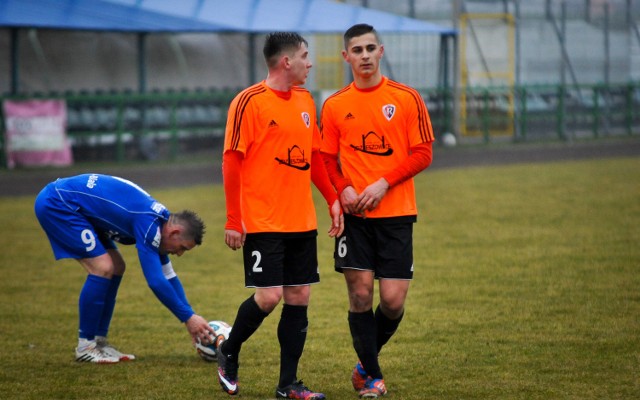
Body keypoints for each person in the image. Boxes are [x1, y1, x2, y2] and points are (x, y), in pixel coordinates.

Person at [218, 32, 343, 399]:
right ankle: (229, 349)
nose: (310, 62)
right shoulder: (248, 102)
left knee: (299, 296)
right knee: (269, 297)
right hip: (263, 221)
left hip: (301, 220)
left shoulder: (305, 100)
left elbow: (315, 156)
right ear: (286, 62)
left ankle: (288, 384)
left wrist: (332, 199)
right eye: (305, 56)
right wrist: (232, 218)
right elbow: (231, 161)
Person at [320, 23, 435, 398]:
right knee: (360, 296)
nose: (365, 55)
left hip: (398, 214)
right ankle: (372, 377)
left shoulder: (406, 98)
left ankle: (363, 364)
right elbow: (324, 160)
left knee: (392, 300)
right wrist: (344, 188)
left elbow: (423, 153)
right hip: (356, 220)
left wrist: (384, 182)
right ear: (346, 56)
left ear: (381, 51)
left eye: (371, 48)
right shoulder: (335, 104)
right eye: (357, 50)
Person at [34, 173, 215, 363]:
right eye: (182, 248)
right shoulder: (149, 224)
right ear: (175, 232)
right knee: (103, 267)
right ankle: (86, 346)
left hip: (77, 207)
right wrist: (187, 318)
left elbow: (169, 275)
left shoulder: (161, 222)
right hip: (59, 203)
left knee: (117, 266)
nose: (179, 254)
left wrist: (192, 315)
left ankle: (99, 343)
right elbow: (155, 281)